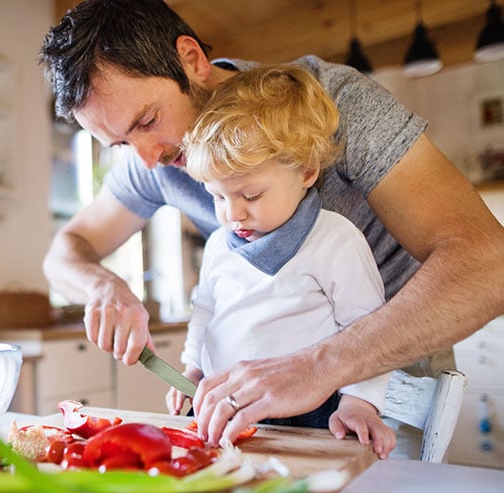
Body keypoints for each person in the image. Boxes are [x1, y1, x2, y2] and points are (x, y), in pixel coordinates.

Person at [39, 0, 504, 448]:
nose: (148, 159)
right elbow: (68, 249)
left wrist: (320, 367)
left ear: (191, 59)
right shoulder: (152, 157)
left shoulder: (333, 103)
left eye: (148, 120)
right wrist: (102, 288)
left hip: (381, 385)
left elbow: (490, 265)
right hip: (261, 398)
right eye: (119, 144)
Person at [165, 64, 396, 457]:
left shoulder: (335, 240)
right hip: (230, 404)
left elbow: (369, 330)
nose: (232, 214)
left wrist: (359, 403)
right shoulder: (221, 245)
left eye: (250, 196)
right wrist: (193, 367)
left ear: (307, 171)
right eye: (218, 198)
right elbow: (205, 311)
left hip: (315, 412)